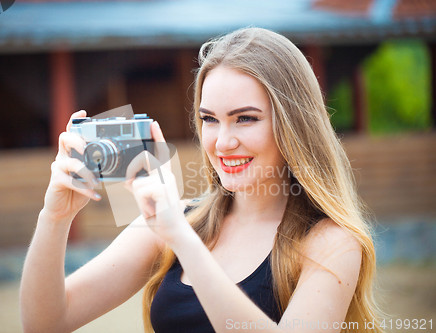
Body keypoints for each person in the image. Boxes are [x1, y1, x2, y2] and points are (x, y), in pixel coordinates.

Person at [20, 27, 383, 333]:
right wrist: (54, 218)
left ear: (293, 125)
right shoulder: (174, 221)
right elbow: (45, 323)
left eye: (245, 118)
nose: (223, 142)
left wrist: (180, 237)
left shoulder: (331, 244)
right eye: (210, 119)